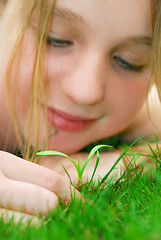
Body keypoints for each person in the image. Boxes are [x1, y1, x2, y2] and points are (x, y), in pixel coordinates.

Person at [0, 0, 158, 222]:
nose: (86, 92)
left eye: (129, 61)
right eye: (56, 39)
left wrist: (125, 161)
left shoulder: (141, 113)